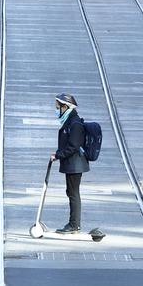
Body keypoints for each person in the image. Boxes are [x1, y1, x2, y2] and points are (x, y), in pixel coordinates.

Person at [50, 92, 89, 234]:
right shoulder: (70, 121)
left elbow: (73, 146)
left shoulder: (75, 123)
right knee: (71, 192)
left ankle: (74, 225)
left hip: (75, 164)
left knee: (73, 193)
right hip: (72, 164)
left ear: (66, 107)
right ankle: (74, 224)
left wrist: (58, 155)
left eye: (58, 106)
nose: (56, 109)